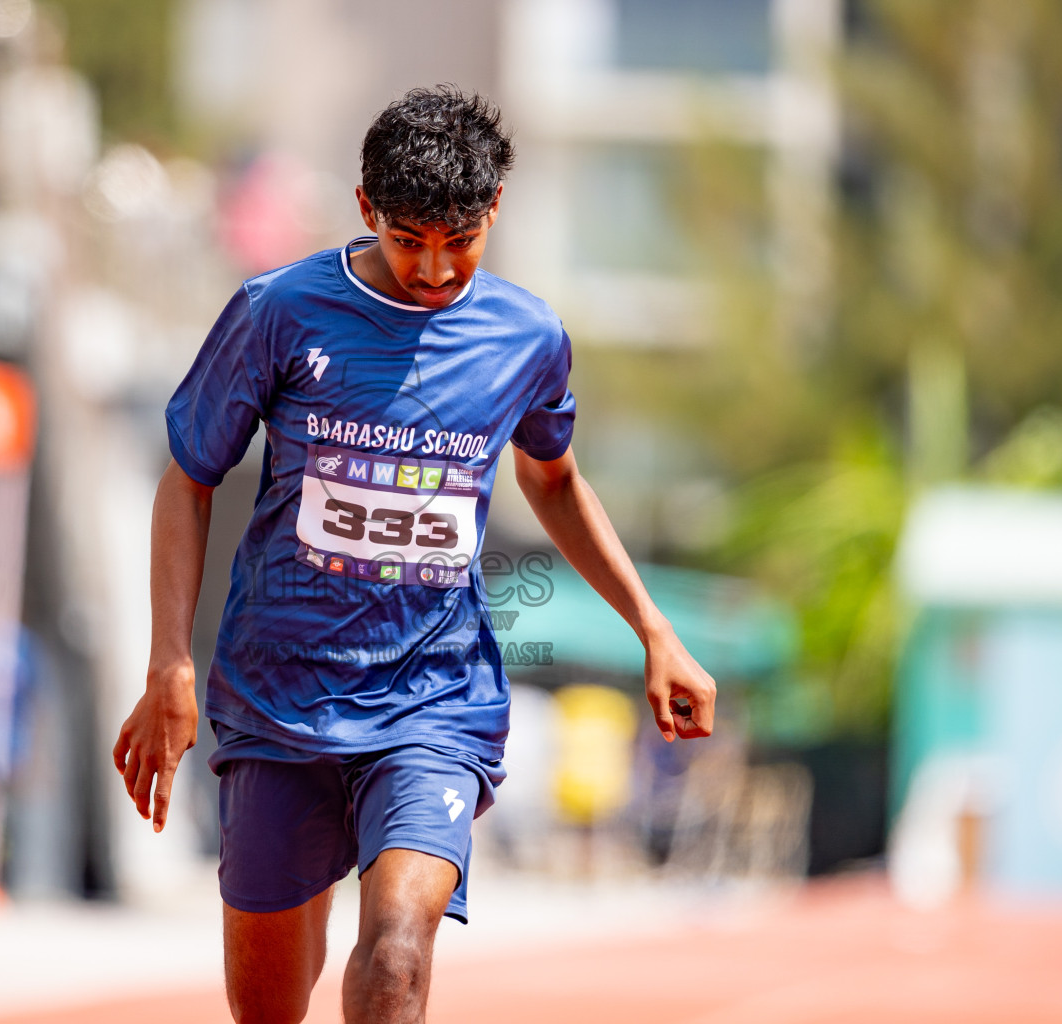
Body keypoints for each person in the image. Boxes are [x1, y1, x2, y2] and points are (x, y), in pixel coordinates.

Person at [113, 86, 716, 1024]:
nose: (435, 271)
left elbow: (553, 480)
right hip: (279, 698)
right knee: (267, 1008)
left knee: (397, 951)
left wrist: (655, 629)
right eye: (408, 241)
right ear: (365, 209)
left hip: (432, 700)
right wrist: (169, 665)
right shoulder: (279, 311)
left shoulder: (527, 336)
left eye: (460, 243)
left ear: (494, 214)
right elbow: (187, 480)